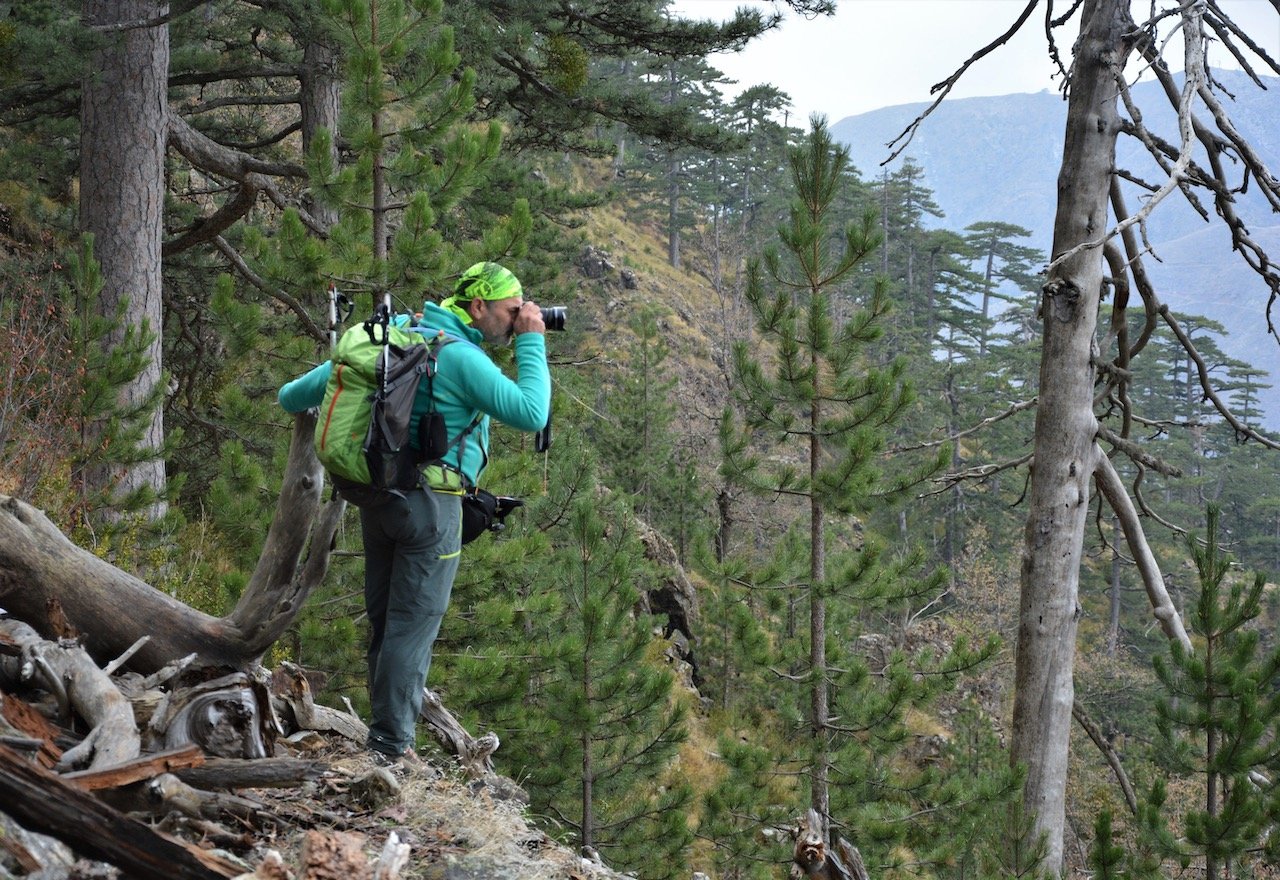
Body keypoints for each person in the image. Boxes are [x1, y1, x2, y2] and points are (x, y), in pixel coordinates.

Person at [278, 261, 551, 766]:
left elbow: (293, 394)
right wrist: (533, 342)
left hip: (380, 499)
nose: (518, 319)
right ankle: (391, 750)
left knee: (387, 624)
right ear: (478, 307)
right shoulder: (463, 358)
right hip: (433, 509)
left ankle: (384, 737)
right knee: (413, 627)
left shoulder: (399, 333)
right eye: (513, 311)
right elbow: (532, 412)